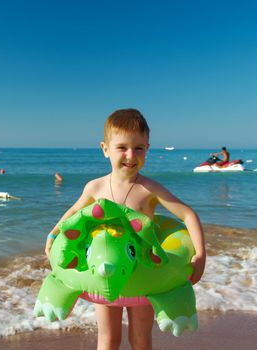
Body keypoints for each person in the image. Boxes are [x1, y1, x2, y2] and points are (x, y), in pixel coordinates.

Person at [44, 109, 206, 350]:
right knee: (108, 339)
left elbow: (187, 214)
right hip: (104, 271)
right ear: (105, 148)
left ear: (147, 149)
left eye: (139, 148)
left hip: (143, 270)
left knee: (140, 339)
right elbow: (73, 215)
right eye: (122, 147)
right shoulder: (95, 187)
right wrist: (52, 236)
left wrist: (200, 254)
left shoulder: (149, 189)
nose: (131, 155)